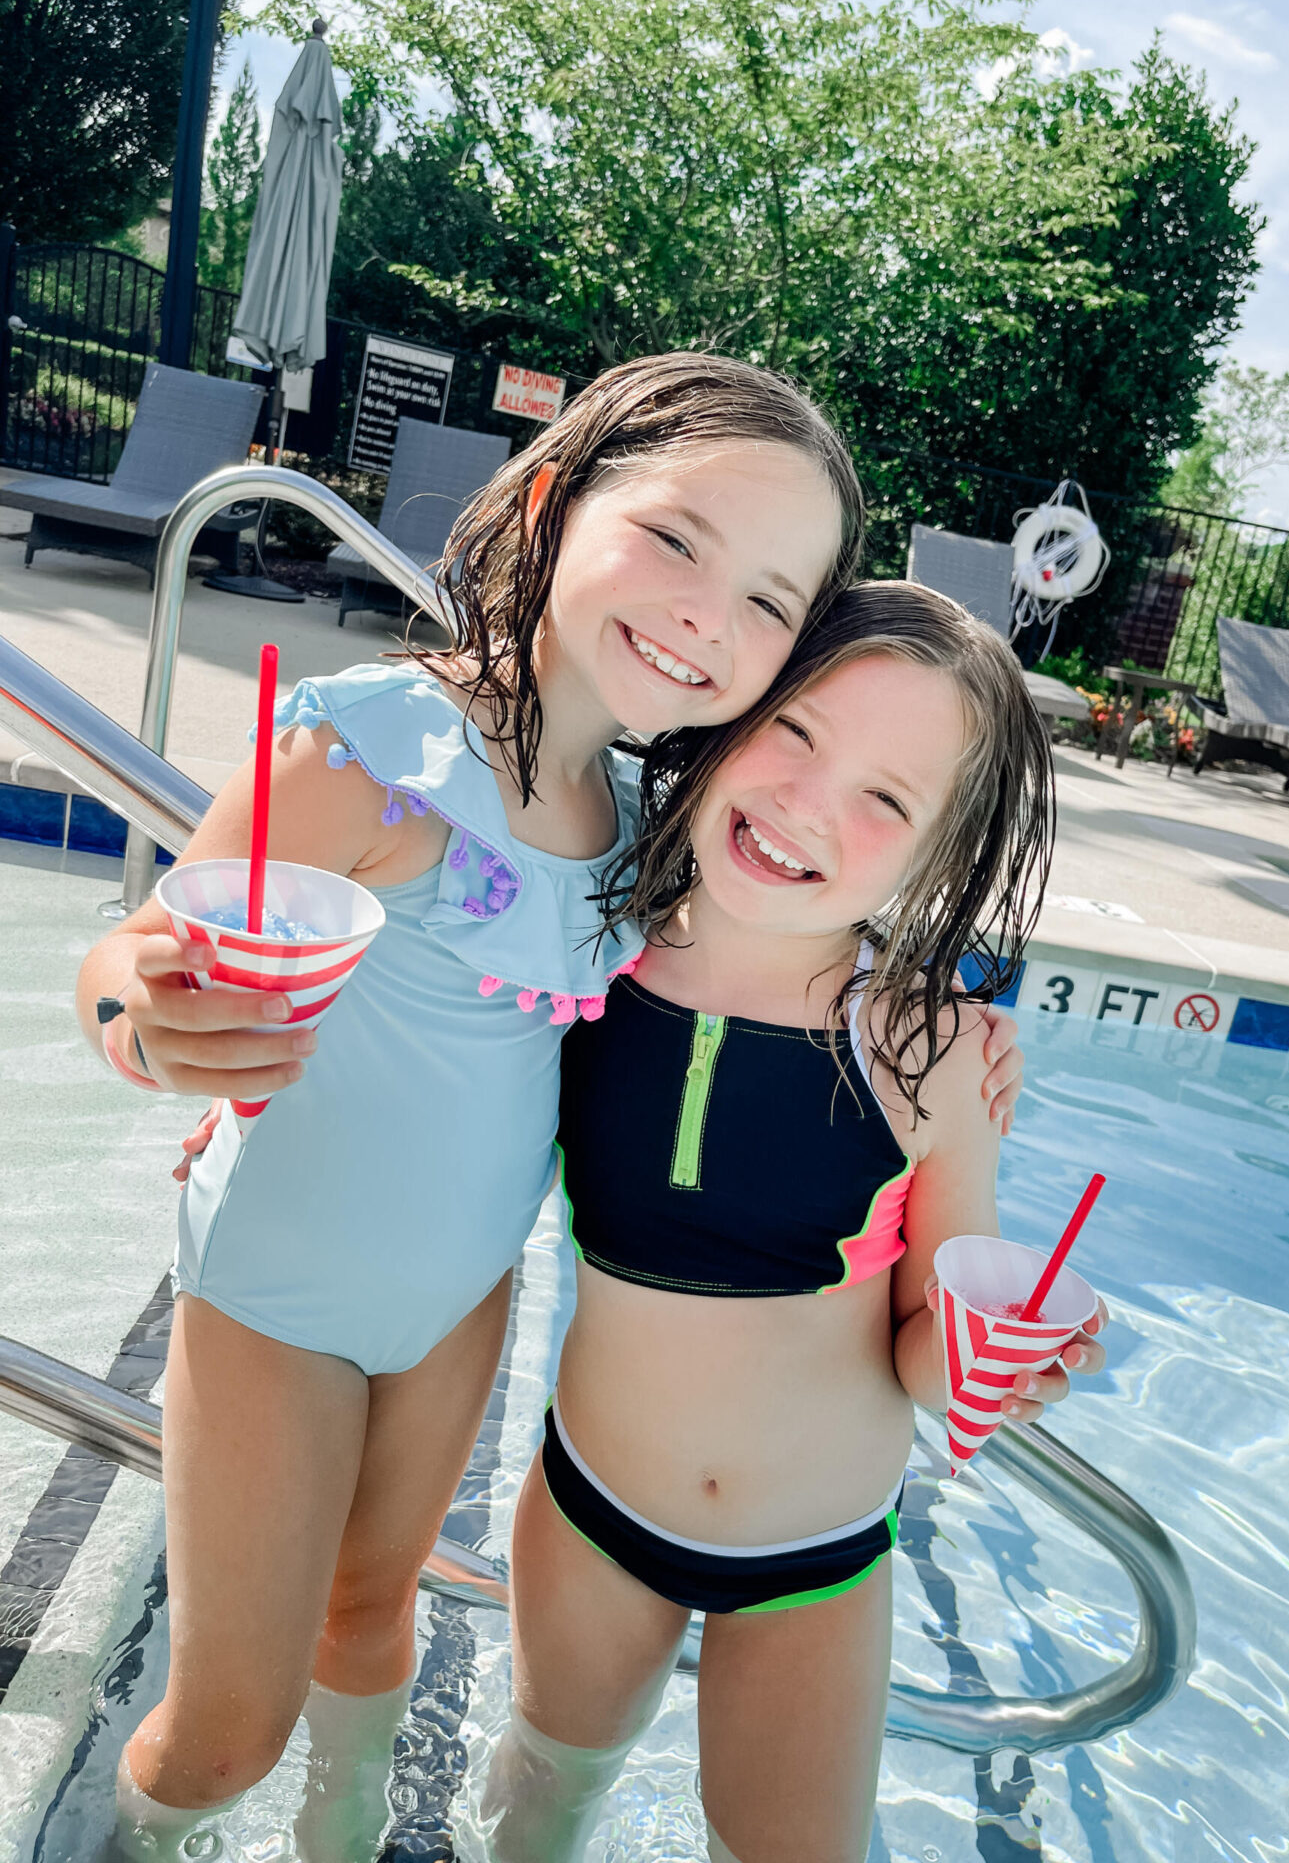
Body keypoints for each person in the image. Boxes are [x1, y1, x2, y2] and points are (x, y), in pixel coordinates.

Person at [75, 356, 1026, 1861]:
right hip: (276, 1294)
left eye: (772, 602)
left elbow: (786, 939)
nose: (710, 615)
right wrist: (145, 1022)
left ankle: (348, 1824)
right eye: (676, 540)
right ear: (547, 502)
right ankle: (136, 1834)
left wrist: (938, 1016)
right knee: (224, 1729)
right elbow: (145, 952)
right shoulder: (374, 757)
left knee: (374, 1610)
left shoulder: (652, 834)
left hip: (458, 1307)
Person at [481, 582, 1108, 1863]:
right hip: (597, 1511)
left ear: (941, 857)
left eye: (890, 799)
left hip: (815, 1563)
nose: (813, 805)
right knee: (542, 1798)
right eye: (797, 733)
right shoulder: (588, 953)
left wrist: (1008, 1361)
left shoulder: (927, 1051)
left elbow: (931, 1349)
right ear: (726, 714)